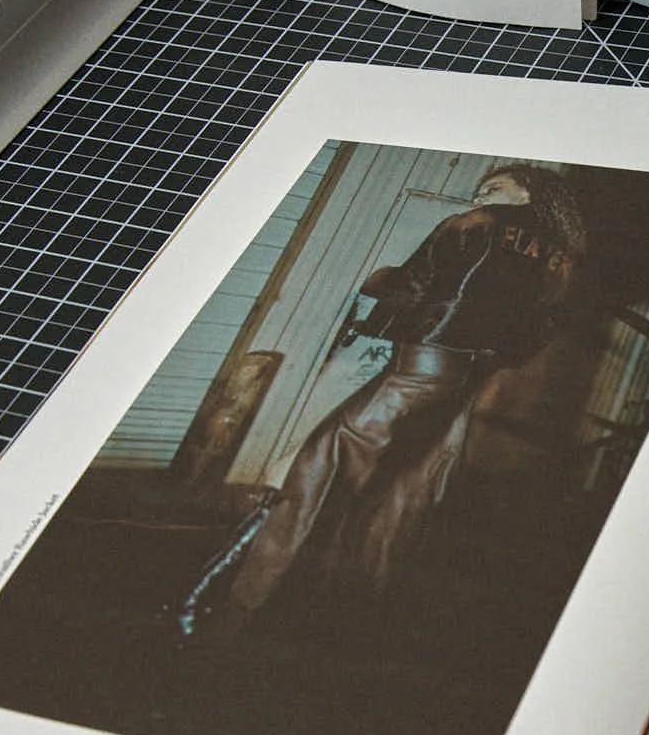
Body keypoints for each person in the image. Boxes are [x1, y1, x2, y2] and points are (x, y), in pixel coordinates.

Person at [178, 164, 586, 631]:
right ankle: (358, 606)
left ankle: (243, 607)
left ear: (527, 193)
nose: (479, 196)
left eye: (492, 187)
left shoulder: (474, 226)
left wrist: (378, 279)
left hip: (422, 365)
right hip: (468, 381)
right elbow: (543, 327)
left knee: (321, 463)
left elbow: (413, 285)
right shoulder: (561, 257)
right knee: (411, 486)